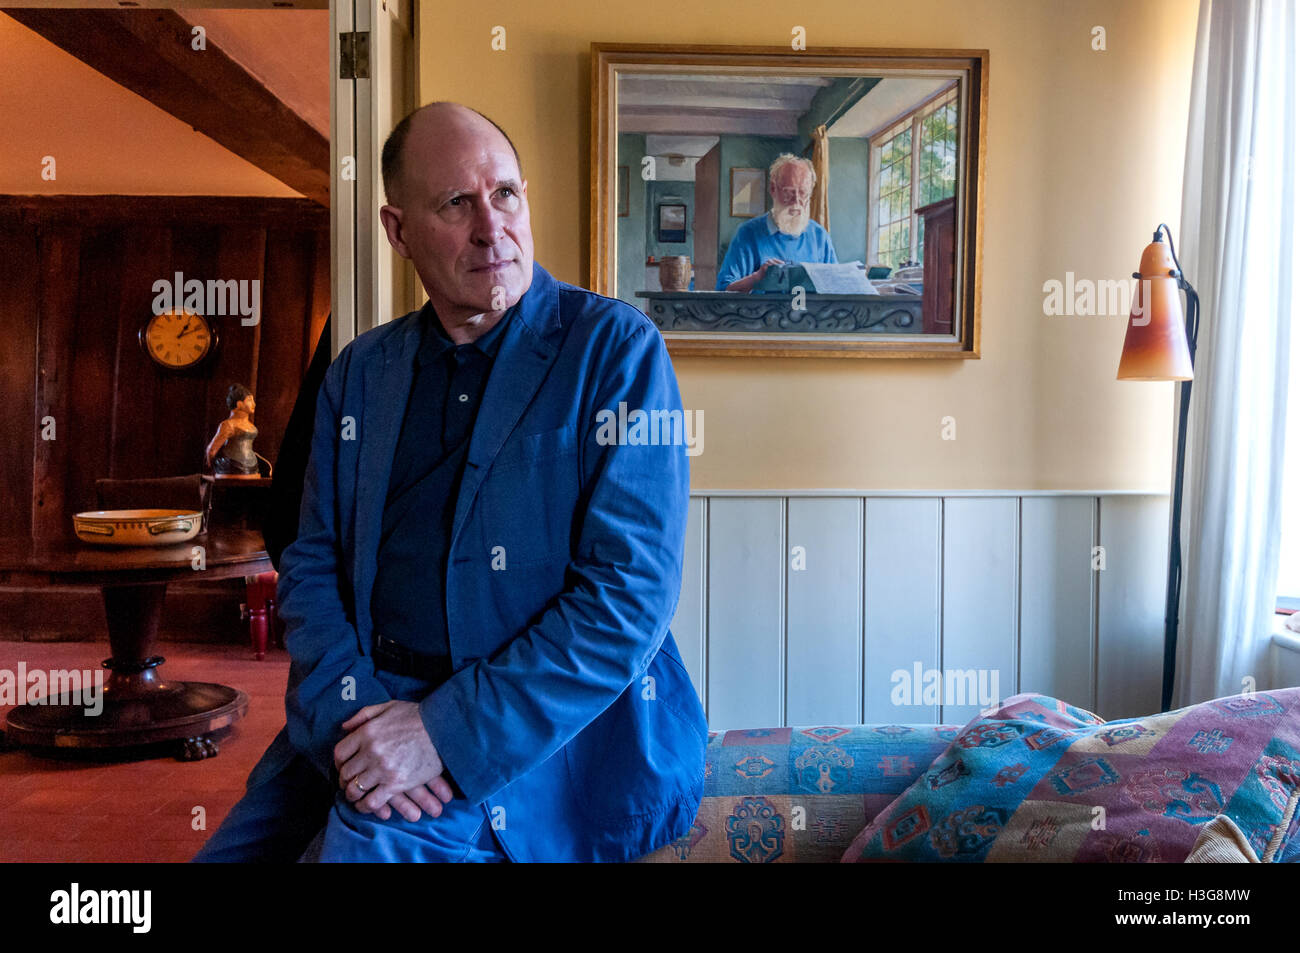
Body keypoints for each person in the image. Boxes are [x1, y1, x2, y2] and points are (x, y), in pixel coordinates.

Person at [193, 101, 707, 863]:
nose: (491, 227)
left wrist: (440, 732)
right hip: (360, 713)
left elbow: (628, 597)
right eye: (456, 203)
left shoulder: (614, 350)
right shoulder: (360, 374)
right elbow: (309, 558)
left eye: (505, 193)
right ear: (397, 230)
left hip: (532, 739)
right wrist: (359, 716)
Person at [715, 153, 838, 292]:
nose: (796, 201)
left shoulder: (820, 236)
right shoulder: (747, 233)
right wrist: (757, 278)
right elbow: (723, 290)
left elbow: (834, 288)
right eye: (788, 192)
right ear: (773, 189)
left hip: (809, 313)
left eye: (803, 192)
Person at [204, 383, 262, 475]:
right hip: (234, 466)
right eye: (249, 400)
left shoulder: (248, 424)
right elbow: (211, 450)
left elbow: (211, 451)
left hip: (252, 467)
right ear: (239, 404)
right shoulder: (228, 425)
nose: (253, 404)